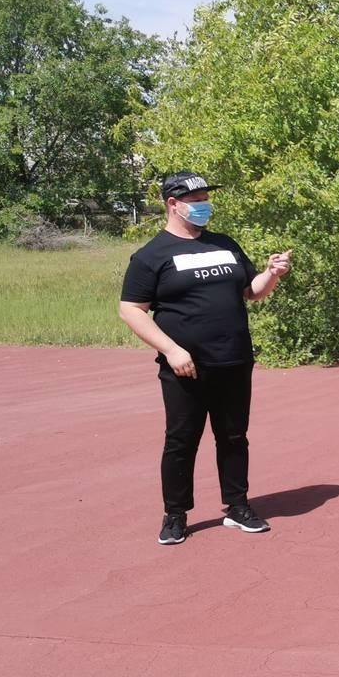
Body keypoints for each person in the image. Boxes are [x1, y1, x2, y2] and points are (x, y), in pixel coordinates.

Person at [119, 172, 293, 546]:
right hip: (185, 367)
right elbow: (131, 309)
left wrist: (271, 274)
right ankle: (176, 515)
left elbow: (251, 292)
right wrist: (171, 349)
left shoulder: (224, 245)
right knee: (181, 441)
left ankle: (237, 506)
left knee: (233, 437)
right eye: (195, 199)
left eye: (205, 198)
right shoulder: (151, 255)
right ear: (173, 204)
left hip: (233, 360)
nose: (203, 205)